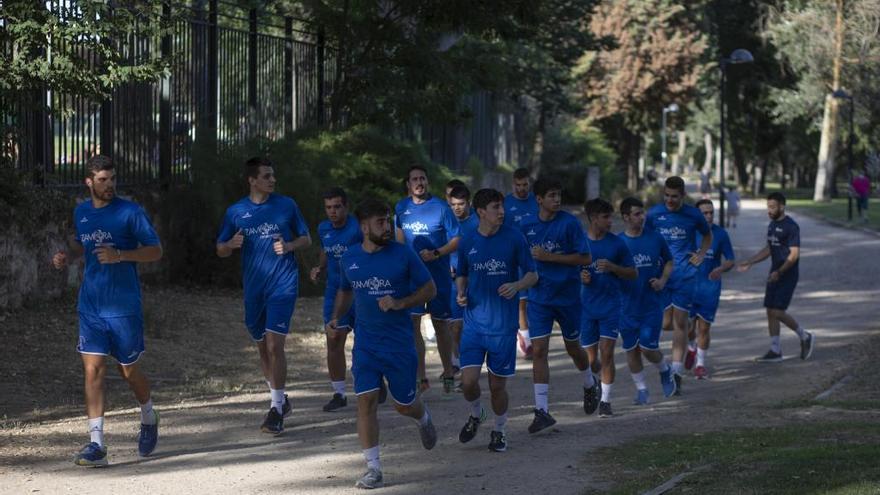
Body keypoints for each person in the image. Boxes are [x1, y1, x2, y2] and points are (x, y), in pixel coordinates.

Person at [52, 155, 163, 466]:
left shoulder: (130, 212)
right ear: (89, 182)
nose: (109, 184)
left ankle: (149, 414)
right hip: (91, 305)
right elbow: (81, 245)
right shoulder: (82, 212)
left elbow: (155, 250)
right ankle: (96, 444)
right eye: (102, 180)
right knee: (93, 369)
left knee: (128, 370)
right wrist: (67, 256)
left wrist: (121, 255)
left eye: (112, 178)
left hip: (124, 306)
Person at [329, 199, 439, 489]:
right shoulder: (349, 258)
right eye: (380, 222)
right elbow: (345, 290)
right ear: (364, 227)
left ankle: (423, 416)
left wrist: (401, 302)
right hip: (366, 345)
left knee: (404, 405)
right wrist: (335, 317)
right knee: (365, 401)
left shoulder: (404, 255)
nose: (387, 226)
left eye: (388, 220)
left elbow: (430, 288)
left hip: (399, 345)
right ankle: (374, 469)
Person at [216, 157, 311, 435]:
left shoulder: (286, 205)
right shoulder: (236, 212)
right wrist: (229, 245)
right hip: (254, 288)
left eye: (273, 176)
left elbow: (306, 238)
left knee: (274, 346)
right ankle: (281, 398)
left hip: (283, 284)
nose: (272, 180)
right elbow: (219, 248)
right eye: (267, 176)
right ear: (252, 180)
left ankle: (275, 410)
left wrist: (290, 245)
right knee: (262, 347)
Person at [455, 188, 538, 451]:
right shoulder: (467, 240)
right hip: (473, 324)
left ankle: (500, 430)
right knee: (468, 382)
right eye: (495, 208)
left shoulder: (514, 238)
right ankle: (477, 413)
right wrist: (460, 293)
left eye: (502, 207)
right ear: (480, 212)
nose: (501, 212)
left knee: (496, 386)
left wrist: (516, 285)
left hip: (503, 327)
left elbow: (533, 275)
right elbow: (462, 273)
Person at [520, 177, 593, 433]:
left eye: (558, 195)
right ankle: (542, 412)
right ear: (538, 199)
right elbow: (517, 255)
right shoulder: (526, 225)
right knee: (539, 351)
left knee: (573, 347)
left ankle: (588, 382)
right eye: (551, 195)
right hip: (539, 298)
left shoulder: (569, 223)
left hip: (568, 297)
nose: (557, 200)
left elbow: (585, 257)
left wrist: (549, 257)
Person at [395, 166, 461, 394]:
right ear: (408, 184)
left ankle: (449, 372)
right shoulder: (401, 207)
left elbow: (457, 239)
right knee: (413, 324)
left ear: (427, 182)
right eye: (414, 179)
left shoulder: (442, 208)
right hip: (412, 278)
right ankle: (421, 377)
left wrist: (437, 253)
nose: (419, 182)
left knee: (440, 325)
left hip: (438, 275)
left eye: (422, 178)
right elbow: (399, 239)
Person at [645, 176, 711, 395]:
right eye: (667, 195)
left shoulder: (693, 214)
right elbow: (646, 238)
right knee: (665, 324)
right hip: (662, 276)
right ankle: (690, 338)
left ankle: (676, 373)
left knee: (679, 323)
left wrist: (701, 254)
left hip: (685, 276)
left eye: (674, 196)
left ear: (683, 195)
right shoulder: (654, 214)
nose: (670, 200)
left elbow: (707, 236)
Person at [738, 192, 814, 362]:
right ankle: (775, 350)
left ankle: (805, 336)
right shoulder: (772, 225)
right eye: (768, 207)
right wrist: (750, 261)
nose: (769, 210)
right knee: (770, 311)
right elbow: (769, 249)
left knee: (778, 312)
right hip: (774, 273)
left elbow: (794, 255)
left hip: (787, 274)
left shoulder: (791, 226)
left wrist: (779, 272)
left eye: (773, 207)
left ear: (782, 206)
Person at [579, 198, 637, 417]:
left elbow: (633, 273)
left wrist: (614, 267)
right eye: (606, 217)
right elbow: (567, 271)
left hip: (611, 306)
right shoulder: (580, 244)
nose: (610, 221)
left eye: (611, 216)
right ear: (593, 219)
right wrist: (580, 277)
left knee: (608, 353)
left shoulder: (617, 244)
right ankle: (592, 382)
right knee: (591, 360)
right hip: (586, 308)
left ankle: (605, 401)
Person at [618, 197, 677, 404]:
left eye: (642, 213)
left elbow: (669, 261)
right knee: (631, 350)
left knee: (648, 348)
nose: (642, 217)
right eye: (636, 214)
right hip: (625, 307)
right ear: (625, 217)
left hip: (651, 304)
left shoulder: (655, 238)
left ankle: (665, 369)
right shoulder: (618, 242)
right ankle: (642, 390)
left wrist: (662, 280)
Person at [310, 187, 362, 412]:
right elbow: (325, 250)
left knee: (366, 341)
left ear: (346, 207)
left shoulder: (358, 228)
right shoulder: (324, 228)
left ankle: (374, 379)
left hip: (360, 291)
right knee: (333, 339)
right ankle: (339, 393)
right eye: (328, 208)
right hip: (334, 289)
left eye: (337, 207)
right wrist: (320, 267)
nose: (333, 212)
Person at [685, 199, 735, 379]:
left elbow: (730, 260)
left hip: (710, 288)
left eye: (711, 212)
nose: (709, 216)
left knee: (704, 329)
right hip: (689, 288)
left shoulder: (720, 234)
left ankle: (700, 365)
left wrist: (721, 268)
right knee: (688, 328)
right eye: (704, 213)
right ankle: (691, 348)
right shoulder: (688, 233)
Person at [503, 167, 540, 360]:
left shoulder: (537, 201)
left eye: (525, 185)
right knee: (522, 300)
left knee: (537, 299)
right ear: (513, 184)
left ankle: (535, 335)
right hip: (515, 258)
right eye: (518, 185)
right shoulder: (506, 203)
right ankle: (526, 340)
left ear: (530, 184)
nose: (522, 188)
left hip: (539, 257)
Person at [447, 184, 480, 385]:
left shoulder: (478, 221)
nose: (457, 208)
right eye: (453, 204)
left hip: (475, 280)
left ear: (469, 203)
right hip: (452, 282)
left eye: (461, 204)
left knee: (471, 327)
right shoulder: (447, 221)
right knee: (456, 326)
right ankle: (456, 364)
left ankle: (470, 367)